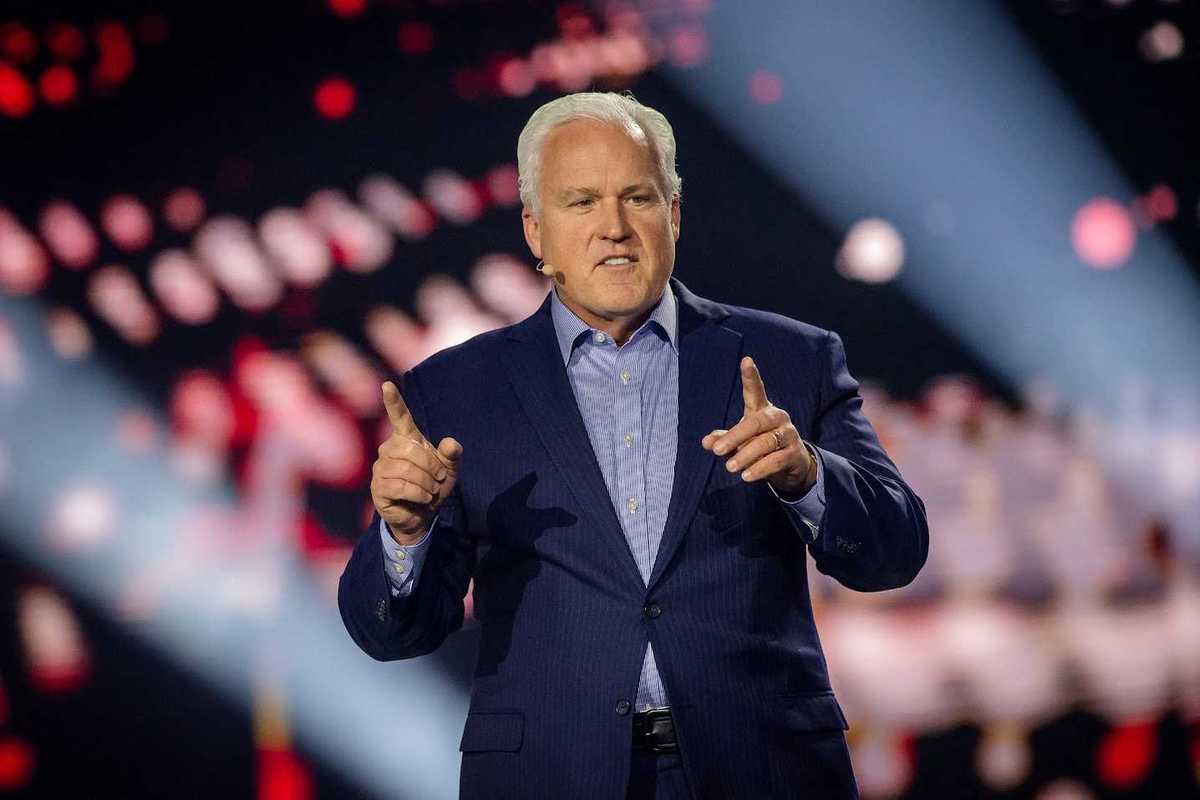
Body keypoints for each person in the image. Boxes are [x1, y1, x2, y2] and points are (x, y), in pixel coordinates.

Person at [338, 91, 928, 799]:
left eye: (638, 198)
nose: (614, 228)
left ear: (673, 215)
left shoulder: (791, 359)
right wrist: (404, 537)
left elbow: (896, 552)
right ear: (535, 231)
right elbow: (395, 633)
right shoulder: (454, 392)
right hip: (549, 776)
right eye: (581, 202)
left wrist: (808, 477)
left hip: (762, 769)